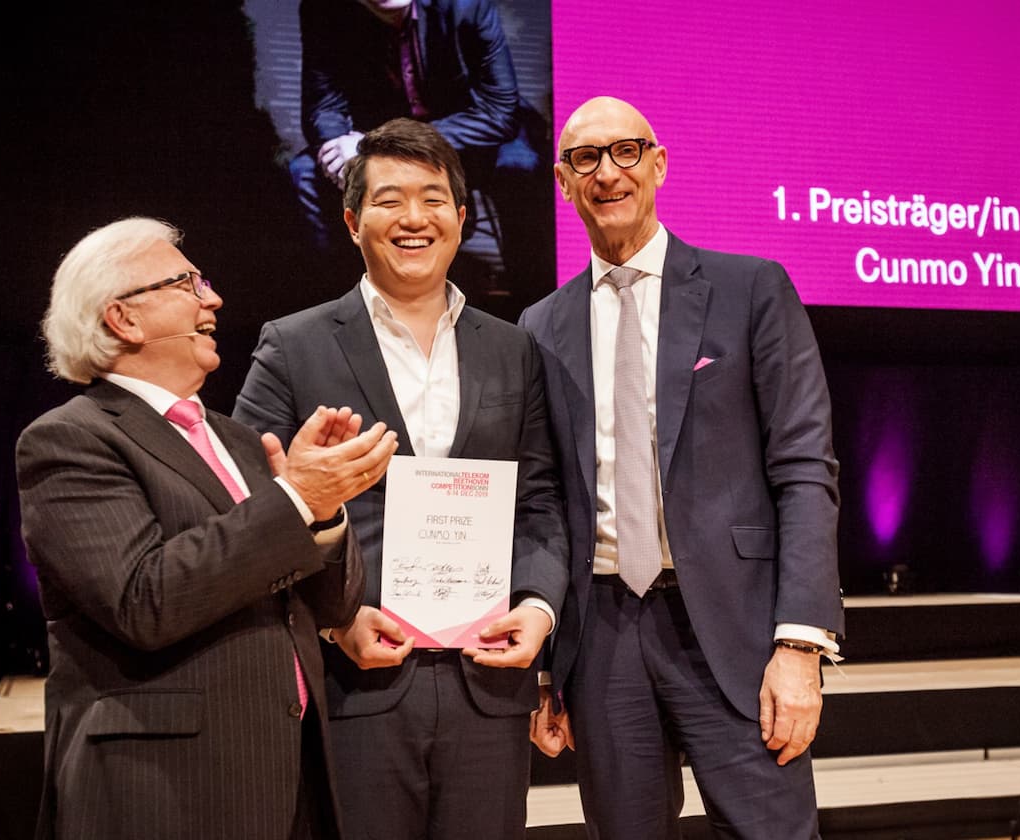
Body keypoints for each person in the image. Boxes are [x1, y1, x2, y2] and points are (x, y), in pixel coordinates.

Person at [516, 97, 843, 839]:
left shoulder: (751, 289)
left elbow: (804, 470)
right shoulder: (540, 327)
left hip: (736, 629)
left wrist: (799, 645)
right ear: (564, 184)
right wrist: (548, 668)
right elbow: (540, 500)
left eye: (626, 151)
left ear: (658, 165)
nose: (607, 172)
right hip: (600, 636)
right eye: (585, 159)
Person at [235, 118, 567, 839]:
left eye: (432, 198)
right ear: (352, 221)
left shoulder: (514, 350)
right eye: (389, 201)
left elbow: (539, 501)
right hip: (356, 680)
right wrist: (332, 619)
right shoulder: (293, 346)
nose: (414, 218)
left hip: (491, 683)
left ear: (462, 215)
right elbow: (248, 508)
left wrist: (539, 608)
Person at [17, 217, 396, 839]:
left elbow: (329, 605)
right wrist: (296, 497)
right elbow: (144, 600)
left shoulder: (241, 441)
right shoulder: (71, 439)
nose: (212, 298)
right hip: (164, 789)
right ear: (124, 319)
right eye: (187, 283)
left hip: (285, 777)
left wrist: (323, 511)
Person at [290, 0, 549, 285]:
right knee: (306, 173)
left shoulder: (466, 5)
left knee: (521, 165)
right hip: (378, 138)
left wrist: (382, 147)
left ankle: (528, 306)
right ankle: (348, 305)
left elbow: (498, 111)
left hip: (471, 140)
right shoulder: (324, 10)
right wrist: (345, 155)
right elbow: (324, 108)